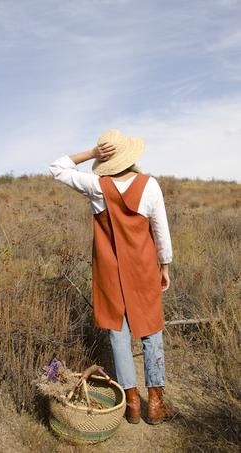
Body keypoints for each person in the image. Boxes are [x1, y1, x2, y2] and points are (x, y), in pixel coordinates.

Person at [48, 129, 175, 425]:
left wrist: (91, 154)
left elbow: (57, 167)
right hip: (144, 270)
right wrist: (165, 266)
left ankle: (131, 405)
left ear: (107, 159)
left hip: (109, 273)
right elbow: (161, 231)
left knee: (118, 336)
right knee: (151, 332)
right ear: (130, 156)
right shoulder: (149, 185)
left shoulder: (96, 186)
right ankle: (155, 406)